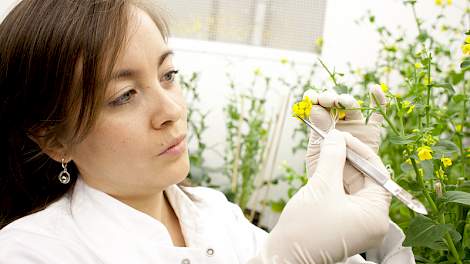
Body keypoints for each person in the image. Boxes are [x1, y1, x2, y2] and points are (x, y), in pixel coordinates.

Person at [0, 0, 415, 263]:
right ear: (53, 139)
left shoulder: (216, 214)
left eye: (168, 74)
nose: (173, 109)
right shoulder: (29, 252)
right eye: (124, 95)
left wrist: (349, 199)